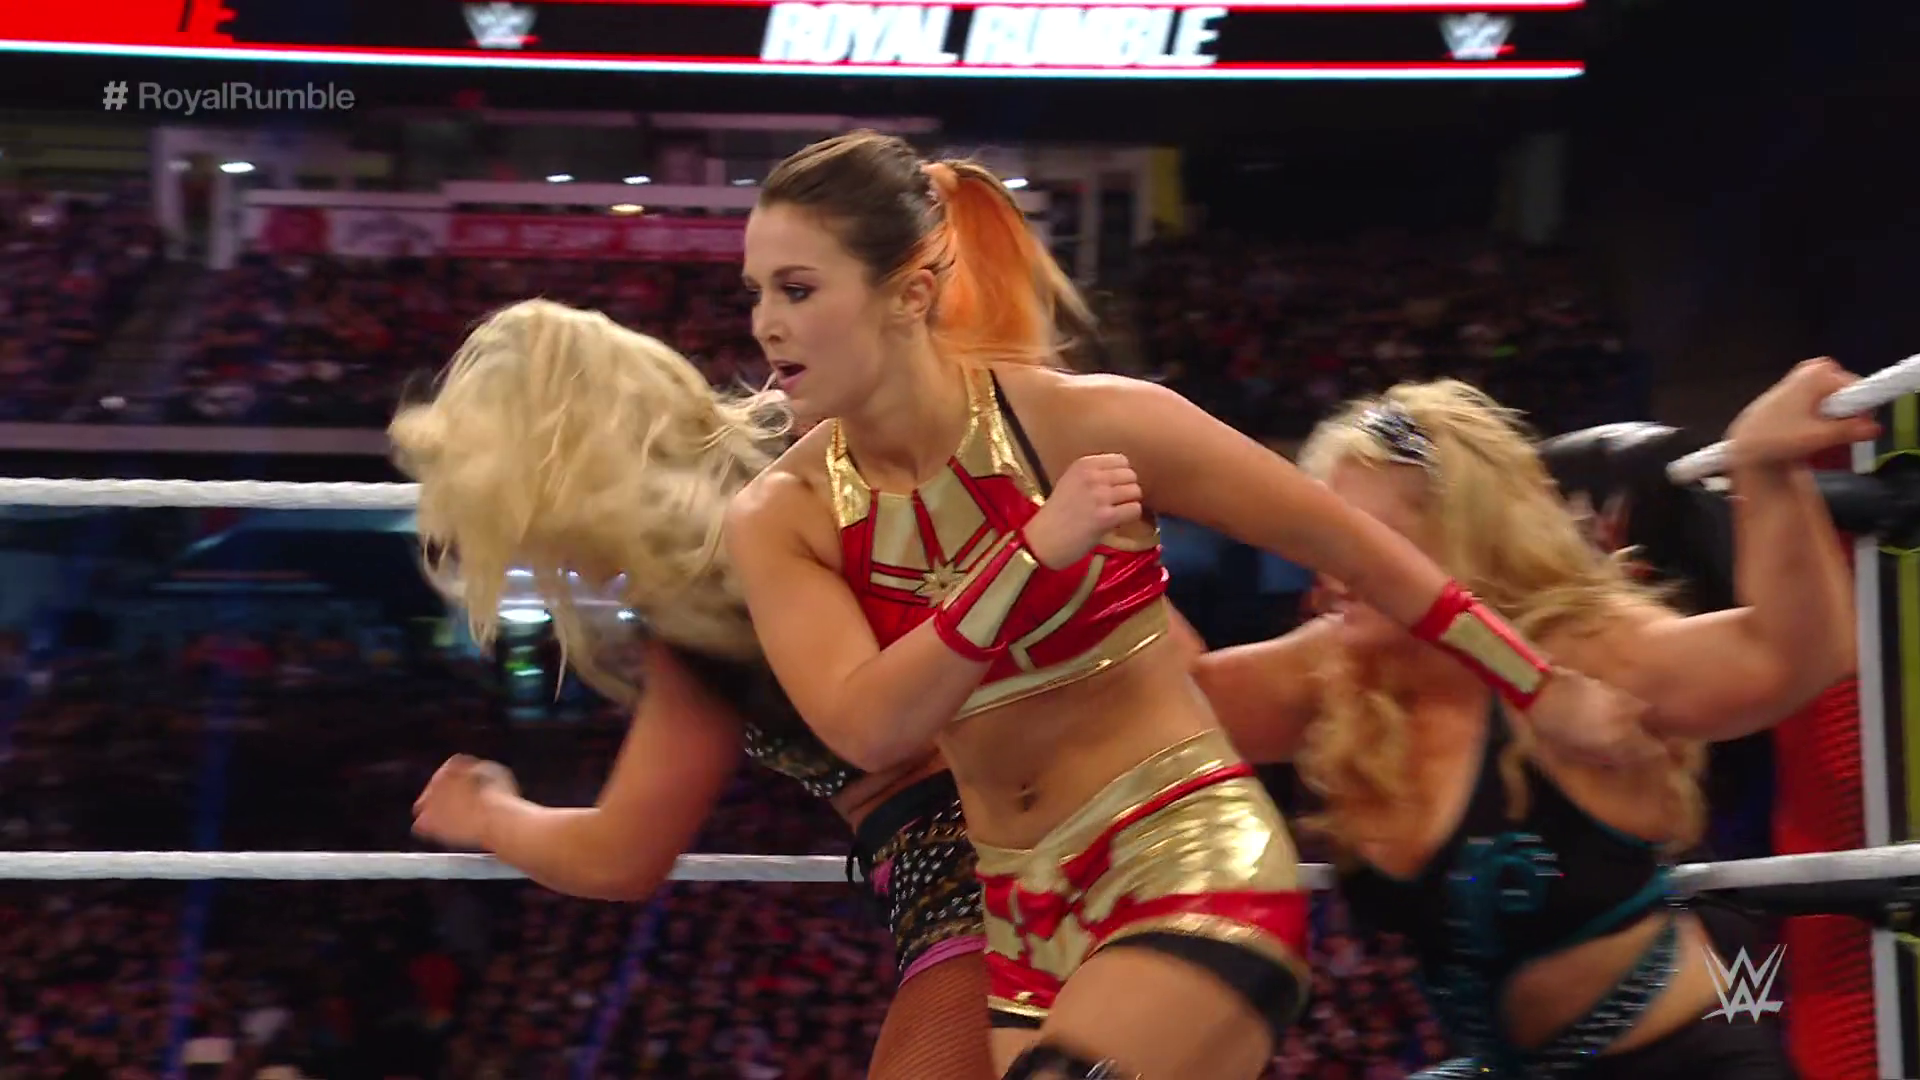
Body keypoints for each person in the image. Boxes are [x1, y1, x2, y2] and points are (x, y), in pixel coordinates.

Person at [722, 130, 1645, 1080]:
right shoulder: (781, 515)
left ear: (910, 294)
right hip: (1021, 916)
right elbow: (873, 727)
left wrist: (1538, 687)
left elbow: (1358, 551)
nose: (765, 325)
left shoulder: (1086, 422)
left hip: (1183, 857)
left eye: (797, 290)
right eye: (754, 294)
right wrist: (1028, 557)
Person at [1193, 365, 1864, 1078]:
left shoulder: (1577, 650)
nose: (1332, 566)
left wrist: (1766, 468)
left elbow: (1793, 657)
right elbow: (1155, 700)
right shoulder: (1338, 668)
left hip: (1680, 1062)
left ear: (1460, 538)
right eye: (1325, 536)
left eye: (1362, 538)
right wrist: (1114, 527)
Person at [388, 299, 995, 1080]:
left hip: (975, 874)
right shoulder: (802, 447)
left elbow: (619, 857)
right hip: (1053, 808)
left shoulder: (703, 599)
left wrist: (487, 813)